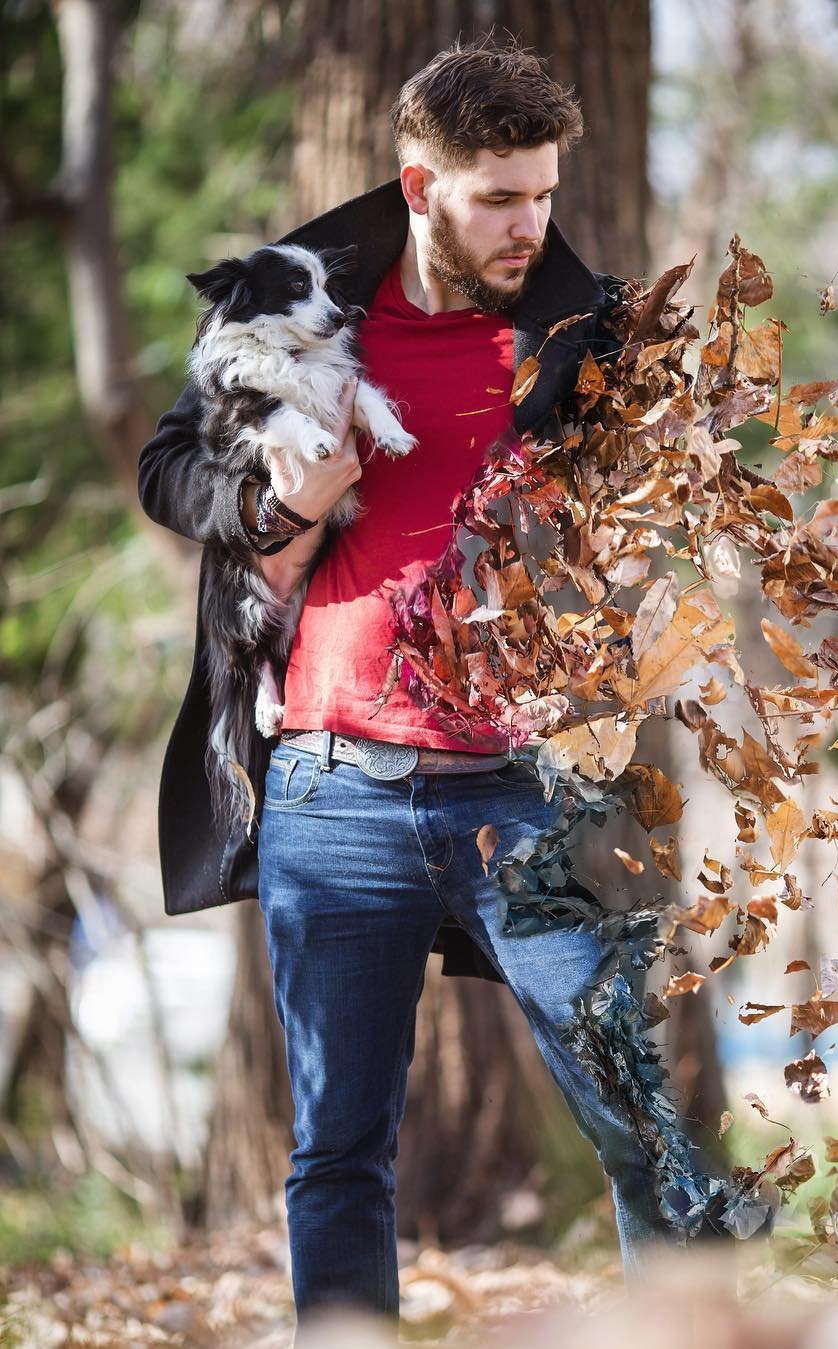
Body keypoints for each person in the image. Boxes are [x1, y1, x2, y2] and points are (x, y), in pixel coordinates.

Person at [138, 37, 686, 1334]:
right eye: (499, 195)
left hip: (527, 790)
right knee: (337, 1152)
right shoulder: (292, 305)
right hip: (335, 791)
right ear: (419, 182)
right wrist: (276, 499)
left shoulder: (584, 334)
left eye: (543, 194)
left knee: (636, 1120)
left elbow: (652, 518)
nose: (528, 223)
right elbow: (168, 471)